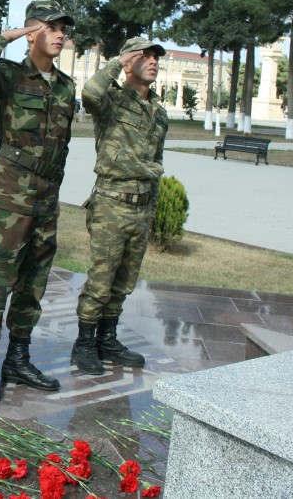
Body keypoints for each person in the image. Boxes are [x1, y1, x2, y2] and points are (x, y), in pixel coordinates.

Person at [0, 0, 76, 403]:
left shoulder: (65, 85)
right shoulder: (8, 75)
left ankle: (19, 358)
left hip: (47, 198)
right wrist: (4, 39)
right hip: (10, 196)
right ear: (32, 32)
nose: (61, 34)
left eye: (64, 29)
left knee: (34, 282)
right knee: (0, 280)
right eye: (53, 27)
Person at [72, 36, 168, 376]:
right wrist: (117, 61)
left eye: (157, 57)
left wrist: (152, 210)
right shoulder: (111, 100)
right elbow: (89, 94)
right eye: (146, 56)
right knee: (101, 278)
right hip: (112, 202)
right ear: (130, 62)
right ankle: (84, 343)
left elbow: (157, 163)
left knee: (125, 281)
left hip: (141, 208)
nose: (154, 61)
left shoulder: (159, 113)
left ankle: (107, 339)